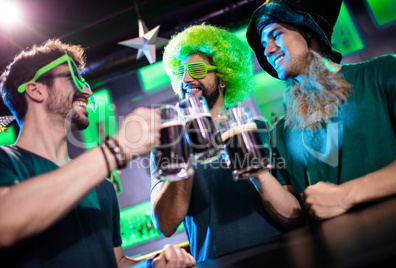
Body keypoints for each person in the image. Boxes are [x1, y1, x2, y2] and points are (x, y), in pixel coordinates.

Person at [0, 39, 196, 268]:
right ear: (36, 90)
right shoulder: (6, 161)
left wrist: (152, 266)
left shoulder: (101, 185)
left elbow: (116, 261)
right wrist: (116, 149)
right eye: (72, 77)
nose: (87, 90)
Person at [150, 24, 303, 262]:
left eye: (197, 69)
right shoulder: (170, 144)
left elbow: (292, 217)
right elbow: (165, 225)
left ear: (222, 78)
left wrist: (258, 173)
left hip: (280, 257)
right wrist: (185, 155)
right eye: (180, 71)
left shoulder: (260, 130)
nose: (186, 78)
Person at [246, 0, 396, 220]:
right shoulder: (280, 132)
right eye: (263, 44)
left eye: (276, 34)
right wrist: (258, 174)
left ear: (309, 32)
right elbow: (293, 217)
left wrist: (347, 194)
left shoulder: (384, 73)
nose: (268, 49)